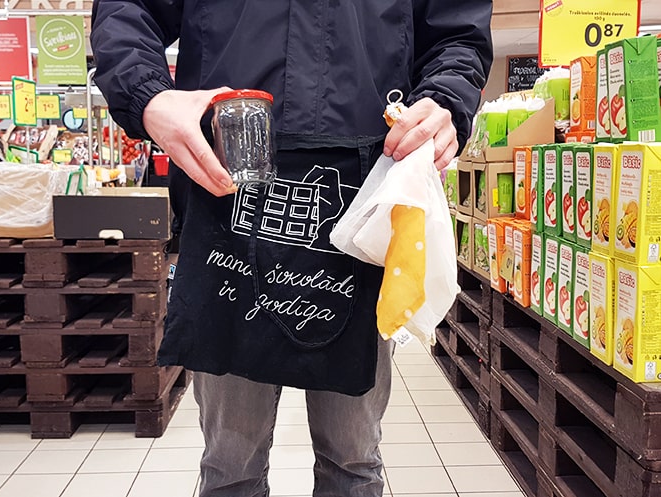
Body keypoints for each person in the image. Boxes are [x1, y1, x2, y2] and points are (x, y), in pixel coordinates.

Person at [90, 2, 493, 496]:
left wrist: (444, 99)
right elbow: (129, 8)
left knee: (353, 461)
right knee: (229, 468)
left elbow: (455, 31)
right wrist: (147, 94)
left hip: (360, 211)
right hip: (227, 199)